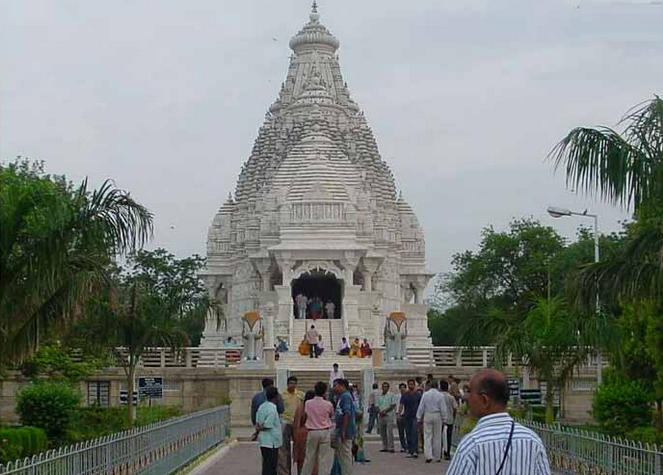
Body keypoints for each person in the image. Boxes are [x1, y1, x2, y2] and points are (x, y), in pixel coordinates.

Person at [446, 369, 551, 475]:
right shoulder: (532, 440)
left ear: (484, 400)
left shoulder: (472, 444)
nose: (466, 397)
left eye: (469, 391)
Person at [301, 382, 334, 475]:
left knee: (309, 458)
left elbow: (306, 414)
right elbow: (331, 415)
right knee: (323, 459)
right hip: (324, 431)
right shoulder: (328, 404)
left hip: (312, 431)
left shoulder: (308, 403)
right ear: (325, 392)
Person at [416, 379, 446, 463]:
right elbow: (443, 408)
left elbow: (421, 406)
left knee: (427, 435)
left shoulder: (425, 394)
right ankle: (437, 456)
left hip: (427, 414)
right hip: (437, 415)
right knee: (437, 436)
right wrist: (444, 418)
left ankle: (428, 455)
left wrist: (419, 417)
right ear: (437, 386)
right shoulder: (440, 395)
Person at [279, 376, 304, 475]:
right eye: (291, 383)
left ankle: (301, 471)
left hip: (297, 423)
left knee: (299, 448)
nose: (292, 385)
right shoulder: (282, 395)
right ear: (287, 384)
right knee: (285, 449)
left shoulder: (301, 395)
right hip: (286, 422)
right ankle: (285, 472)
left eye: (294, 383)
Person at [255, 386, 283, 475]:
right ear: (276, 397)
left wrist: (258, 428)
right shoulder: (272, 408)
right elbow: (268, 424)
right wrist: (261, 428)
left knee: (266, 464)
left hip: (264, 440)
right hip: (271, 442)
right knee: (271, 466)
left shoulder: (261, 406)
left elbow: (257, 422)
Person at [332, 379, 356, 475]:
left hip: (345, 431)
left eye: (336, 385)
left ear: (342, 385)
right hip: (341, 429)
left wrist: (343, 430)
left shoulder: (345, 396)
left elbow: (347, 413)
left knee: (345, 455)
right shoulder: (342, 396)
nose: (334, 388)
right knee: (341, 455)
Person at [293, 390, 316, 475]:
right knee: (310, 458)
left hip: (303, 434)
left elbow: (296, 424)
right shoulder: (303, 407)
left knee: (303, 459)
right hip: (308, 433)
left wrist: (296, 437)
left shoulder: (302, 407)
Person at [400, 378, 422, 458]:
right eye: (409, 384)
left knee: (414, 433)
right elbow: (401, 405)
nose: (411, 386)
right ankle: (410, 450)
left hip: (415, 416)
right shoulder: (405, 395)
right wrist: (399, 414)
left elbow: (421, 406)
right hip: (407, 416)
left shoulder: (418, 395)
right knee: (408, 433)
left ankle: (415, 451)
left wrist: (421, 416)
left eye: (412, 384)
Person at [439, 379, 459, 460]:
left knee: (439, 437)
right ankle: (447, 453)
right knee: (448, 437)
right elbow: (455, 408)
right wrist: (453, 416)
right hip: (449, 419)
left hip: (440, 420)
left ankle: (438, 452)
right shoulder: (451, 397)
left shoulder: (438, 396)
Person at [350, 384, 369, 464]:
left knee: (359, 440)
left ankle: (359, 456)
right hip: (352, 423)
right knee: (353, 441)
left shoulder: (356, 398)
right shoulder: (348, 399)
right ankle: (355, 456)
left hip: (357, 423)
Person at [376, 382, 398, 453]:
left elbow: (393, 405)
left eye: (386, 387)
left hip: (389, 415)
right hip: (381, 415)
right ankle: (384, 446)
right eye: (383, 386)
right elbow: (377, 405)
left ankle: (391, 447)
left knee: (390, 432)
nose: (384, 388)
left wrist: (385, 411)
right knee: (382, 432)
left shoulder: (391, 395)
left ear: (388, 388)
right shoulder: (379, 396)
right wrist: (380, 411)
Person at [396, 383, 407, 452]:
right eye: (401, 388)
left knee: (408, 432)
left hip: (406, 415)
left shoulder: (407, 395)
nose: (402, 389)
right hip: (399, 415)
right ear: (399, 388)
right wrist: (397, 414)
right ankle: (403, 446)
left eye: (404, 387)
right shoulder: (397, 396)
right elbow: (396, 406)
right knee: (401, 432)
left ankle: (408, 445)